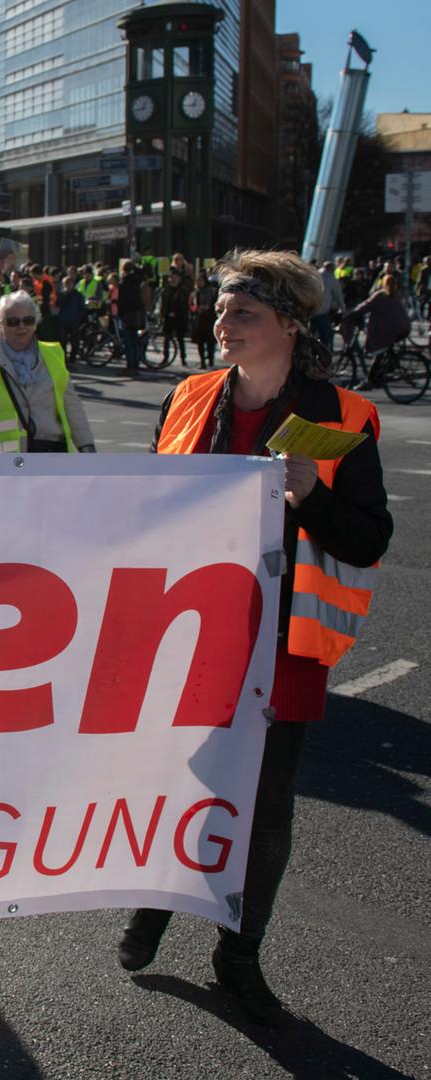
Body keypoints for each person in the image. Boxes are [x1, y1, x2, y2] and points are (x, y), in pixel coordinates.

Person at [117, 250, 391, 1028]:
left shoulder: (342, 418)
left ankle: (238, 954)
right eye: (221, 309)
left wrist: (309, 494)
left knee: (266, 808)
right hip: (188, 631)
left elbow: (369, 538)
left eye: (244, 314)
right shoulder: (188, 396)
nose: (223, 323)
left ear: (291, 327)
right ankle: (156, 907)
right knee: (177, 783)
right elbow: (146, 505)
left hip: (284, 638)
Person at [0, 291, 96, 454]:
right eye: (13, 321)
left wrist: (86, 445)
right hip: (4, 464)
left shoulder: (53, 356)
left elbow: (72, 406)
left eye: (28, 320)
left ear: (36, 323)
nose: (21, 326)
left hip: (53, 456)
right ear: (0, 325)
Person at [348, 273, 412, 391]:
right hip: (402, 328)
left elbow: (364, 306)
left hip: (386, 331)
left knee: (378, 352)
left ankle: (370, 380)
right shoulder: (396, 295)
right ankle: (380, 373)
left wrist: (350, 314)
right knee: (383, 351)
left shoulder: (380, 295)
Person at [115, 258, 151, 375]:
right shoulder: (139, 281)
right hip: (138, 314)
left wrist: (120, 314)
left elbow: (122, 301)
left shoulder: (124, 283)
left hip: (127, 314)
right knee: (136, 341)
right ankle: (136, 365)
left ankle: (130, 366)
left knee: (128, 342)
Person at [157, 268, 191, 367]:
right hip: (168, 317)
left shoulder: (183, 290)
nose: (173, 280)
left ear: (179, 279)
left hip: (179, 317)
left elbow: (185, 305)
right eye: (171, 278)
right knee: (166, 339)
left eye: (175, 278)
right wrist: (162, 314)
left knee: (180, 339)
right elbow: (162, 304)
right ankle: (165, 357)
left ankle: (183, 358)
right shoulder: (166, 290)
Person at [191, 273, 220, 369]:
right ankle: (202, 361)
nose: (199, 283)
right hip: (199, 319)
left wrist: (203, 308)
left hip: (209, 319)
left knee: (209, 341)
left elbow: (211, 304)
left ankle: (211, 360)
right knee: (200, 341)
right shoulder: (195, 292)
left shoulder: (210, 291)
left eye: (201, 281)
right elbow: (191, 304)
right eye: (197, 281)